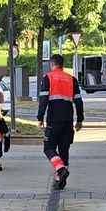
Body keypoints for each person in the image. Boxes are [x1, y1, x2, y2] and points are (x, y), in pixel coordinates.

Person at [37, 53, 84, 189]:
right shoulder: (72, 79)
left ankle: (61, 170)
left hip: (53, 119)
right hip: (68, 120)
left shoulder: (48, 78)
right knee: (64, 148)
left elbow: (43, 99)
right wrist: (79, 119)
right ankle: (60, 180)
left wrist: (40, 118)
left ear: (52, 65)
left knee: (49, 148)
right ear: (62, 65)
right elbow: (78, 101)